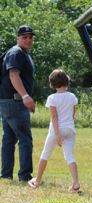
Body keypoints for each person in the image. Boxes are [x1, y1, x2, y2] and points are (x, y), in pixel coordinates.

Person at [28, 69, 81, 192]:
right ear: (66, 81)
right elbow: (72, 114)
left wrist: (57, 135)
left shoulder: (52, 98)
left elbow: (54, 117)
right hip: (70, 129)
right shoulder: (72, 96)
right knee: (70, 156)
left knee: (45, 154)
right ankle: (76, 183)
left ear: (52, 83)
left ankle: (37, 180)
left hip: (56, 130)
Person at [0, 25, 36, 182]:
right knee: (25, 139)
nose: (28, 40)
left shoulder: (20, 53)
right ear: (18, 39)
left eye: (30, 37)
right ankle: (25, 176)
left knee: (8, 138)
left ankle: (6, 175)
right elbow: (14, 75)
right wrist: (26, 96)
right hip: (15, 101)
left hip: (7, 101)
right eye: (24, 37)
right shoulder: (16, 53)